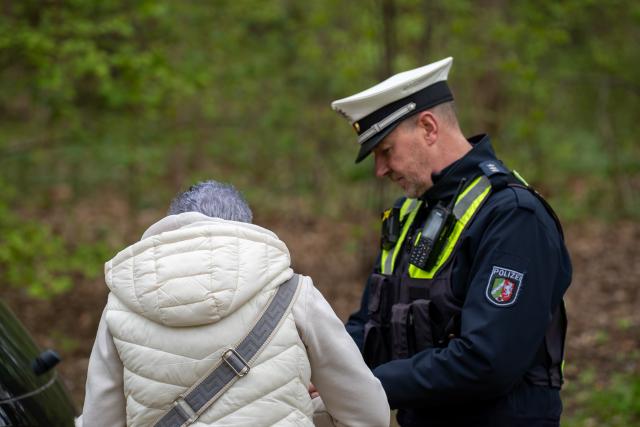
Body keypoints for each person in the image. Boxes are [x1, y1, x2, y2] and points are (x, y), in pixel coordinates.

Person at [330, 57, 572, 427]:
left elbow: (487, 361)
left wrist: (363, 385)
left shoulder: (512, 216)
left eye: (386, 150)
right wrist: (321, 366)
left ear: (428, 127)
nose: (380, 170)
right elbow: (371, 325)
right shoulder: (410, 213)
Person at [78, 180, 390, 427]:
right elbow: (368, 414)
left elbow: (99, 421)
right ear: (245, 229)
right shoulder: (293, 292)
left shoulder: (120, 306)